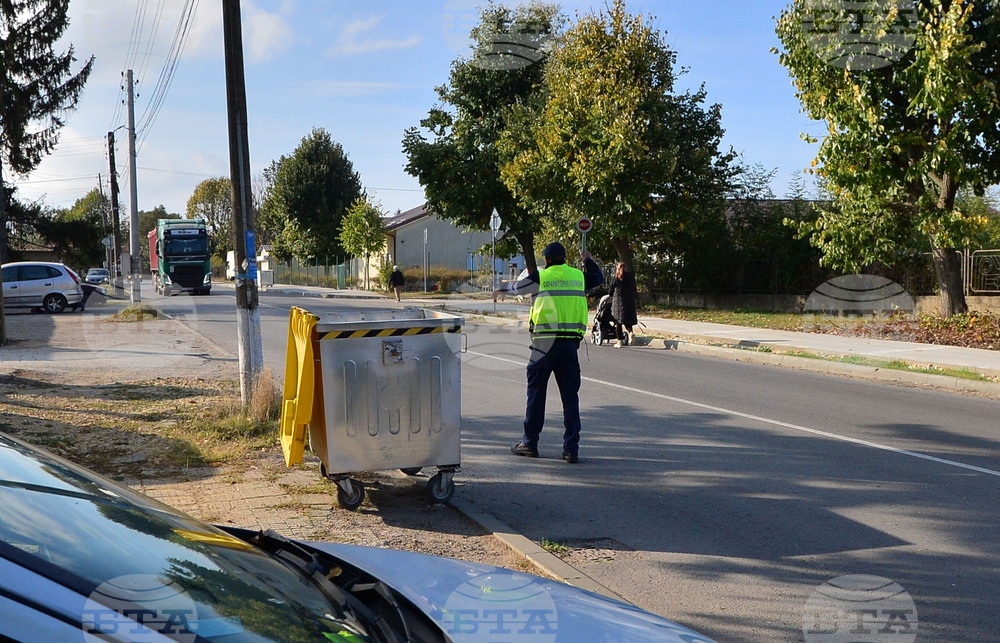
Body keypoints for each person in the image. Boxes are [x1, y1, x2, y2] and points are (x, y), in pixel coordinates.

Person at [492, 243, 604, 463]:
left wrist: (500, 290)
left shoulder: (541, 276)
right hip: (570, 345)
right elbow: (598, 277)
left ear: (546, 259)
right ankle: (571, 448)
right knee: (570, 397)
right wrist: (588, 260)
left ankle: (529, 443)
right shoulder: (578, 277)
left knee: (536, 393)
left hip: (544, 344)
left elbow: (518, 287)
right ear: (564, 258)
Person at [607, 262, 638, 348]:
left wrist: (610, 295)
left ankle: (619, 341)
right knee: (627, 320)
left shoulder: (616, 278)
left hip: (619, 302)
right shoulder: (630, 276)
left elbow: (610, 291)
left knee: (618, 322)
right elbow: (634, 288)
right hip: (629, 301)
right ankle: (630, 333)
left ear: (617, 268)